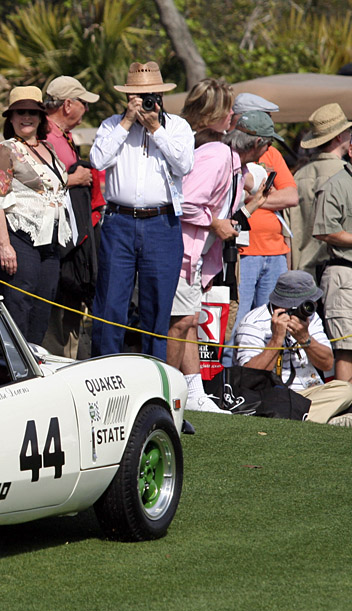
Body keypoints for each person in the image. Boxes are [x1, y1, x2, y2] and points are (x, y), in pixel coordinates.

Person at [89, 61, 194, 361]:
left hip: (162, 224)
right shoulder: (112, 125)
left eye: (151, 96)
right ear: (127, 98)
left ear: (161, 96)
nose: (146, 101)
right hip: (119, 222)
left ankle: (153, 377)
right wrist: (126, 122)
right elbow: (97, 160)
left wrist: (155, 128)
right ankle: (104, 370)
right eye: (138, 96)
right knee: (110, 305)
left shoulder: (177, 127)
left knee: (158, 307)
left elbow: (185, 165)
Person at [166, 116, 271, 412]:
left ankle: (193, 392)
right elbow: (185, 202)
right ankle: (168, 394)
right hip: (180, 250)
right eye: (269, 144)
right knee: (181, 322)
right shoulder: (217, 156)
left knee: (189, 320)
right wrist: (215, 225)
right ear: (258, 143)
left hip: (195, 254)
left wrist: (250, 207)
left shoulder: (233, 163)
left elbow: (223, 212)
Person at [0, 86, 70, 345]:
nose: (26, 117)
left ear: (42, 117)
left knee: (44, 304)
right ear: (10, 118)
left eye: (33, 112)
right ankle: (14, 366)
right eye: (20, 112)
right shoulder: (3, 150)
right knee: (20, 303)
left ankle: (34, 361)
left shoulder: (49, 149)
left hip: (51, 240)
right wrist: (5, 246)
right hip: (18, 237)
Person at [228, 93, 298, 365]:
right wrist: (264, 195)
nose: (268, 125)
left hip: (275, 252)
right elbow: (231, 197)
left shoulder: (271, 151)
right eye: (264, 118)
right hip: (243, 252)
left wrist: (256, 199)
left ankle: (263, 379)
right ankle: (230, 380)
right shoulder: (233, 152)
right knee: (236, 325)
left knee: (272, 322)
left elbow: (292, 196)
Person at [236, 270, 352, 426]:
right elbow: (248, 379)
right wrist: (276, 339)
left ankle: (299, 418)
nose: (313, 306)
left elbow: (327, 363)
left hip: (309, 393)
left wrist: (305, 339)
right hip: (272, 395)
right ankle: (318, 420)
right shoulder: (253, 323)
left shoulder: (310, 316)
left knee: (346, 389)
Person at [41, 75, 100, 358]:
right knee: (56, 308)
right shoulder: (44, 136)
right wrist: (72, 178)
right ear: (67, 105)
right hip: (55, 242)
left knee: (71, 304)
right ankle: (57, 362)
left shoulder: (63, 136)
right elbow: (35, 178)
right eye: (82, 103)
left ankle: (70, 360)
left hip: (74, 239)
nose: (85, 110)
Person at [290, 103, 351, 279]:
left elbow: (289, 231)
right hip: (337, 269)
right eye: (348, 132)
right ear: (339, 137)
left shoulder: (299, 175)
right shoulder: (345, 175)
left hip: (302, 271)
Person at [312, 134, 352, 382]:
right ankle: (342, 414)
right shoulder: (335, 184)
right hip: (344, 274)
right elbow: (324, 230)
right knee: (347, 350)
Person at [180, 78, 234, 149]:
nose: (232, 112)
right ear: (210, 112)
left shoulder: (226, 138)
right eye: (227, 108)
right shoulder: (186, 145)